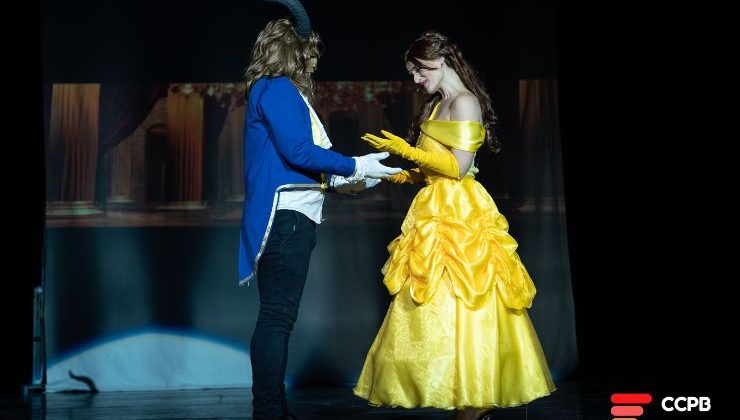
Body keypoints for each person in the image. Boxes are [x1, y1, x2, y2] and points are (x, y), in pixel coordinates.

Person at [353, 31, 556, 420]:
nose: (415, 80)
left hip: (460, 213)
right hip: (433, 208)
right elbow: (431, 169)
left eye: (418, 70)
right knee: (435, 304)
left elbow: (458, 168)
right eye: (411, 73)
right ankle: (460, 396)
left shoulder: (465, 103)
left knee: (468, 296)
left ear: (440, 60)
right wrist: (395, 174)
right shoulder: (435, 106)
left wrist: (405, 149)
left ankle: (476, 399)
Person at [238, 17, 401, 420]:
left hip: (293, 216)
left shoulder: (280, 92)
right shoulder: (276, 88)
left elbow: (310, 161)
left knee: (278, 317)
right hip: (287, 217)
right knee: (277, 316)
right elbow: (298, 152)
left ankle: (272, 410)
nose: (313, 63)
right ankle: (269, 412)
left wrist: (362, 175)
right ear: (293, 52)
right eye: (309, 54)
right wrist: (353, 164)